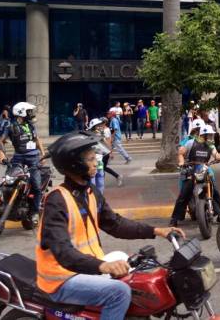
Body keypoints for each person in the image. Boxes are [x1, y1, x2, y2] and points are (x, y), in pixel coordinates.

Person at [37, 131, 185, 319]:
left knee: (130, 268)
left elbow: (115, 224)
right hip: (61, 278)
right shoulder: (57, 201)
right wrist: (103, 266)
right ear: (75, 164)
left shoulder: (89, 192)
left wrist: (157, 231)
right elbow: (64, 252)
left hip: (84, 267)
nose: (96, 163)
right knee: (119, 292)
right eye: (91, 159)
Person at [169, 125, 220, 227]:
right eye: (209, 135)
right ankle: (175, 219)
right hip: (191, 170)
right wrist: (182, 162)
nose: (211, 137)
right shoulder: (191, 143)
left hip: (204, 169)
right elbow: (180, 152)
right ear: (203, 135)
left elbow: (216, 155)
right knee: (184, 194)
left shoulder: (210, 145)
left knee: (215, 191)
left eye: (211, 135)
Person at [0, 102, 46, 223]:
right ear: (21, 112)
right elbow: (1, 141)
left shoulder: (30, 125)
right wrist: (2, 154)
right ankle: (6, 204)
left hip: (33, 159)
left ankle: (34, 212)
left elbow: (36, 139)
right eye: (29, 111)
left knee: (36, 186)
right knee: (8, 182)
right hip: (18, 158)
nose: (31, 114)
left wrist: (43, 155)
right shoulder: (10, 126)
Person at [87, 118, 108, 193]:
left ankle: (100, 199)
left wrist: (102, 137)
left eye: (100, 125)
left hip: (99, 162)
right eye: (97, 126)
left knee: (100, 179)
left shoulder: (100, 135)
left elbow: (105, 147)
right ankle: (93, 198)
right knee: (92, 181)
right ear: (93, 127)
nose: (100, 127)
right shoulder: (89, 136)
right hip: (92, 162)